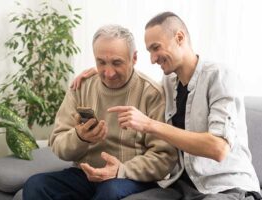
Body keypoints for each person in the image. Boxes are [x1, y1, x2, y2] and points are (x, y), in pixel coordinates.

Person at [72, 12, 262, 200]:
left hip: (225, 187)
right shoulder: (169, 82)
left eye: (156, 48)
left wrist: (150, 125)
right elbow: (137, 82)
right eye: (149, 52)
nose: (153, 59)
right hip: (180, 185)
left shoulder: (220, 76)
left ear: (179, 37)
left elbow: (218, 149)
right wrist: (101, 72)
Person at [22, 24, 178, 200]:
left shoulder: (152, 94)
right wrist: (79, 138)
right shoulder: (80, 87)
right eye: (101, 62)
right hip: (85, 174)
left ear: (134, 58)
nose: (108, 73)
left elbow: (164, 157)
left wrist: (121, 170)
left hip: (128, 176)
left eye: (117, 62)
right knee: (36, 185)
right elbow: (57, 144)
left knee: (109, 192)